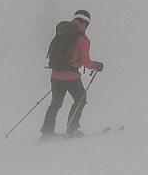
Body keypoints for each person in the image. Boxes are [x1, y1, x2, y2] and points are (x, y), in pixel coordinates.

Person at [41, 9, 104, 139]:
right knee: (81, 99)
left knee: (56, 103)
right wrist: (97, 65)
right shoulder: (82, 39)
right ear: (86, 23)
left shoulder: (61, 33)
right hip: (71, 77)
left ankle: (46, 133)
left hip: (56, 75)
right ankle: (72, 129)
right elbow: (86, 62)